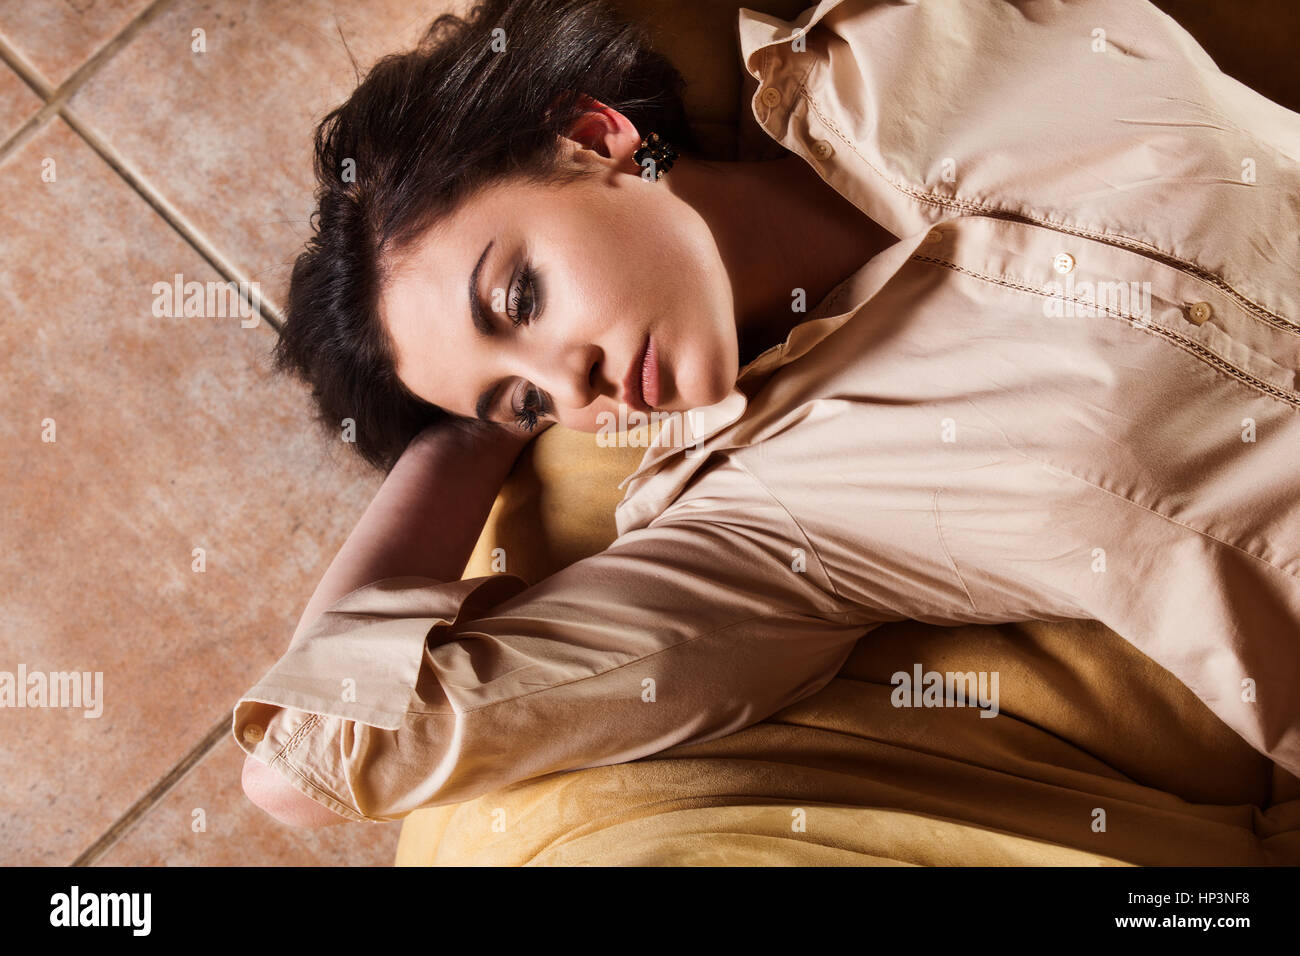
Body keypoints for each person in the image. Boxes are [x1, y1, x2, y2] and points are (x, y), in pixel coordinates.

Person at [238, 0, 1300, 827]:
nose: (575, 389)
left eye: (521, 297)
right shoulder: (764, 522)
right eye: (524, 398)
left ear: (593, 138)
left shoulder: (894, 35)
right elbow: (311, 754)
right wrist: (463, 438)